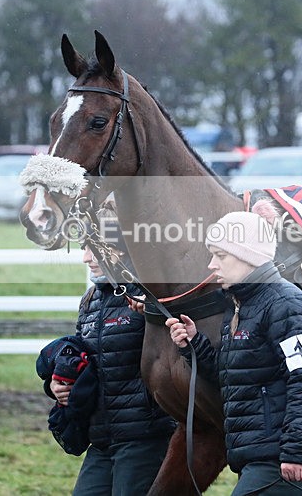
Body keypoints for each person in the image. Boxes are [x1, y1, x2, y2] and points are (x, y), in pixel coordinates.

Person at [165, 211, 302, 495]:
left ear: (248, 256)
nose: (212, 265)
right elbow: (231, 375)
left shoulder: (289, 305)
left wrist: (295, 452)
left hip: (279, 459)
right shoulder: (239, 305)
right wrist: (193, 345)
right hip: (255, 455)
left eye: (220, 255)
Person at [49, 208, 176, 496]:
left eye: (94, 250)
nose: (86, 258)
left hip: (144, 438)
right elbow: (86, 361)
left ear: (120, 251)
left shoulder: (153, 296)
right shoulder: (91, 299)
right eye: (84, 249)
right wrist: (58, 384)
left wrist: (155, 311)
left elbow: (183, 356)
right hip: (102, 437)